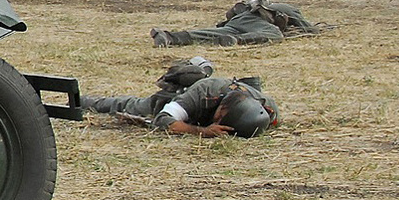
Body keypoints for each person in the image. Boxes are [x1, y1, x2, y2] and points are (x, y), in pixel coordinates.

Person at [82, 62, 279, 138]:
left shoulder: (267, 108)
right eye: (222, 120)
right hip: (180, 97)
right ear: (221, 108)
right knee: (133, 106)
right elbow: (163, 119)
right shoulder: (203, 91)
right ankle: (82, 101)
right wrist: (202, 131)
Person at [151, 0, 323, 47]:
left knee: (209, 34)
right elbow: (309, 30)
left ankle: (169, 37)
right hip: (254, 21)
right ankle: (238, 41)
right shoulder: (285, 8)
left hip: (236, 23)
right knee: (275, 34)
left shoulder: (247, 8)